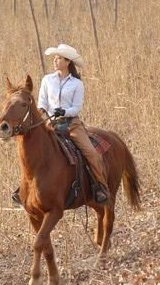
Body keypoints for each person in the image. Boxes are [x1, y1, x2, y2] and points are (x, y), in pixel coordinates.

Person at [13, 43, 110, 205]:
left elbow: (77, 107)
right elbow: (42, 102)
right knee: (30, 152)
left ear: (68, 62)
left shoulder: (77, 84)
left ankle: (100, 186)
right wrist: (41, 111)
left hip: (71, 124)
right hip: (50, 124)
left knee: (91, 153)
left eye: (59, 58)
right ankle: (23, 188)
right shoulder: (47, 80)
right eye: (55, 58)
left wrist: (64, 112)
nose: (55, 61)